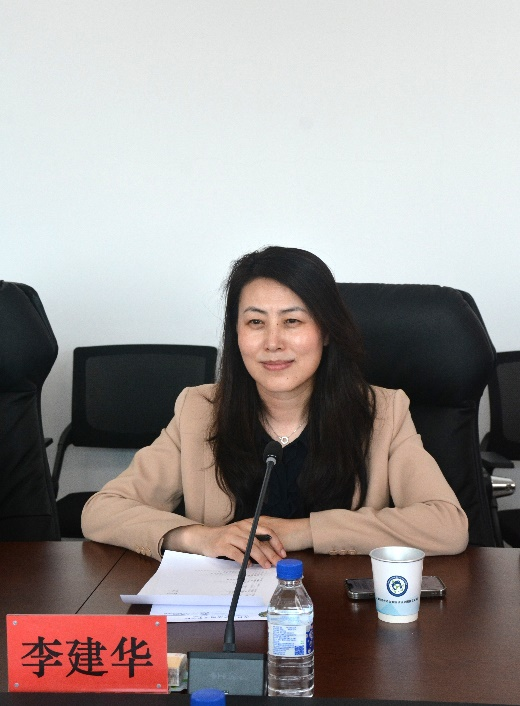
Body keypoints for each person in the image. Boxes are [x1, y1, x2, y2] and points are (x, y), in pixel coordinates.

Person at [82, 246, 469, 565]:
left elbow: (447, 526)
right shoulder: (199, 410)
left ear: (326, 331)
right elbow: (102, 510)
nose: (272, 342)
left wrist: (303, 531)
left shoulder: (383, 412)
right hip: (227, 614)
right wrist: (199, 537)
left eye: (292, 321)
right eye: (255, 323)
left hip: (343, 615)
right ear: (236, 333)